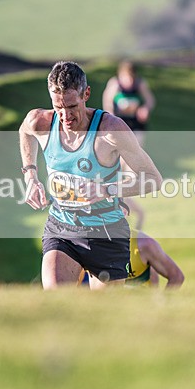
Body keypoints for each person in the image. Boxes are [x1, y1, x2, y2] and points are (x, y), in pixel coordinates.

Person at [19, 61, 163, 290]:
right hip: (62, 227)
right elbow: (24, 131)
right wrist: (30, 176)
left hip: (107, 232)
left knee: (103, 316)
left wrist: (107, 190)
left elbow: (153, 179)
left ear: (86, 94)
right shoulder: (40, 121)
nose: (65, 116)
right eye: (58, 107)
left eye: (72, 106)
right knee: (57, 298)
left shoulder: (111, 130)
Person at [101, 60, 156, 229]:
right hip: (120, 132)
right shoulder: (114, 84)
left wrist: (144, 109)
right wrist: (112, 121)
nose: (130, 82)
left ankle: (126, 207)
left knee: (131, 172)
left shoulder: (140, 84)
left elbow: (150, 101)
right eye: (127, 78)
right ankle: (125, 207)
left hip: (136, 130)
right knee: (121, 168)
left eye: (132, 78)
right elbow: (107, 105)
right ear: (121, 75)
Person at [80, 229, 185, 290]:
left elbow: (177, 276)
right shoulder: (84, 244)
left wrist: (163, 304)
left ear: (124, 213)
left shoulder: (145, 244)